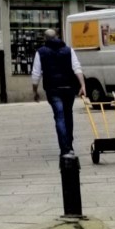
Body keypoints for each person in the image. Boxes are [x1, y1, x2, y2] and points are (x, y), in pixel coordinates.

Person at [31, 28, 86, 158]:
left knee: (59, 116)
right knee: (68, 115)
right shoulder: (69, 50)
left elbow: (36, 74)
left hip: (53, 89)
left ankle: (65, 149)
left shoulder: (41, 52)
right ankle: (70, 146)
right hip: (69, 88)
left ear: (45, 39)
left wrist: (35, 91)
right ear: (57, 36)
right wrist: (83, 85)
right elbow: (77, 67)